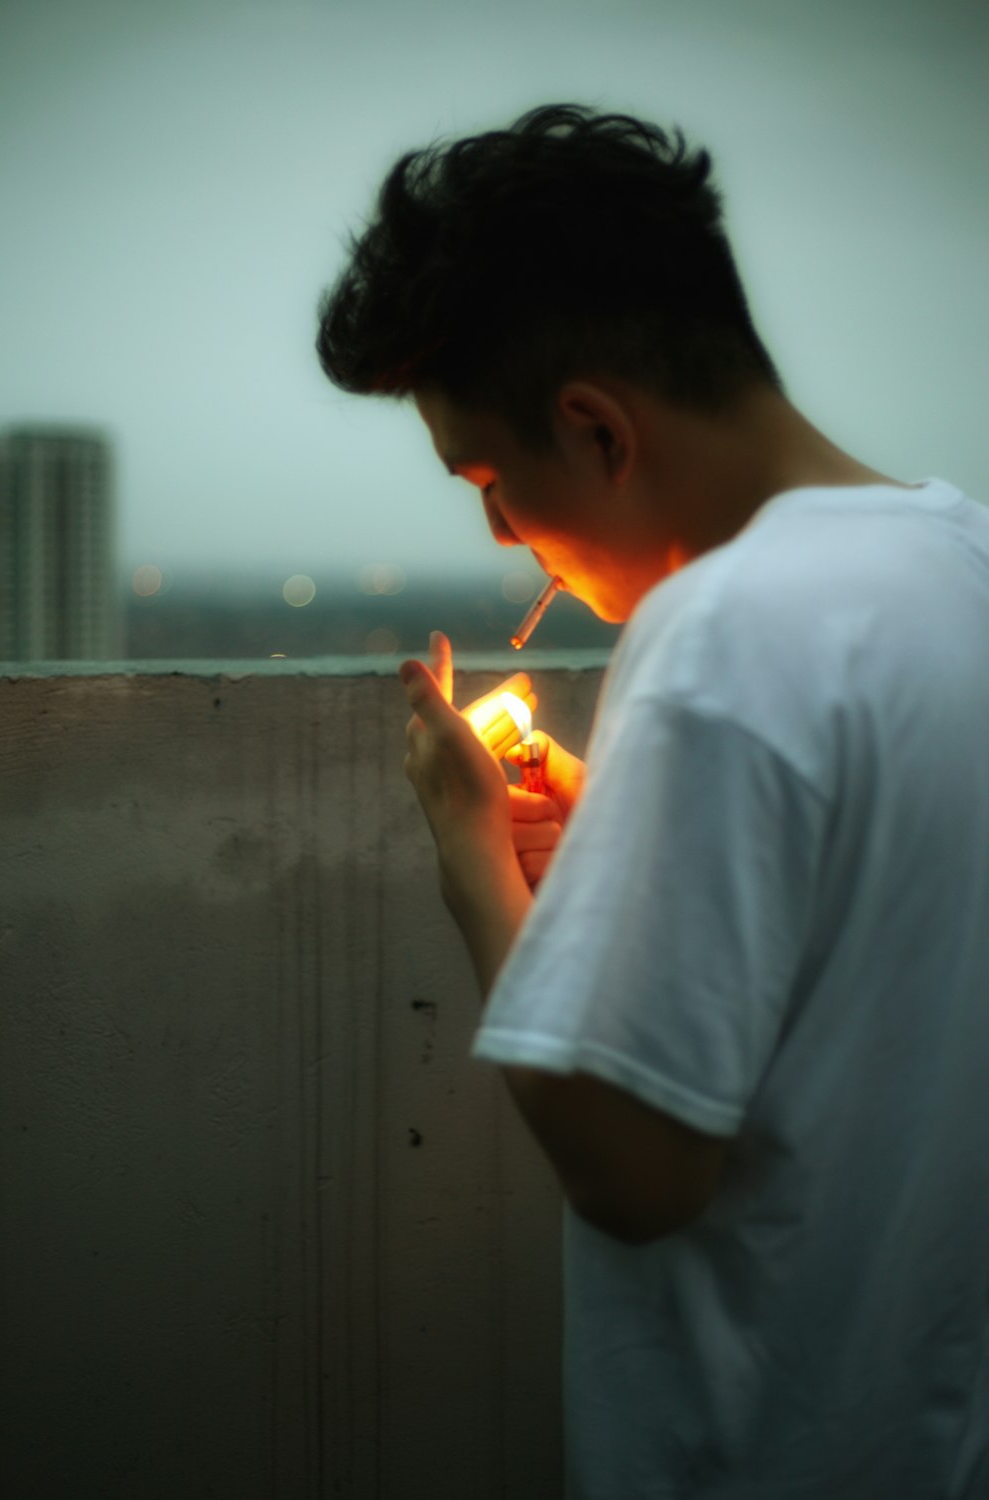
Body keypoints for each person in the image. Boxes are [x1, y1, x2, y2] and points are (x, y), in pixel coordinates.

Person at [316, 104, 989, 1498]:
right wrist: (633, 837)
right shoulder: (961, 561)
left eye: (491, 480)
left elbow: (633, 1173)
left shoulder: (715, 637)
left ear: (597, 429)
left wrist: (472, 859)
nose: (502, 536)